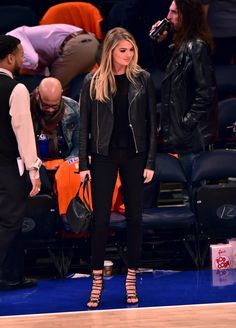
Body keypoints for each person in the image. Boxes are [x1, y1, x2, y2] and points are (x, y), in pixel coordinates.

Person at [79, 27, 157, 308]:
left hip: (135, 155)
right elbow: (84, 126)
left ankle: (131, 277)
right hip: (103, 155)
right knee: (101, 220)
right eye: (123, 50)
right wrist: (83, 162)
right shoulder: (92, 81)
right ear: (110, 51)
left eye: (131, 49)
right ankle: (97, 278)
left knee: (135, 219)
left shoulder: (143, 79)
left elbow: (151, 124)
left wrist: (150, 161)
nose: (128, 55)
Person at [152, 0, 218, 180]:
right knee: (188, 187)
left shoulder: (196, 47)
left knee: (195, 189)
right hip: (184, 136)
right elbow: (167, 67)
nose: (168, 17)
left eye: (174, 12)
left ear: (186, 15)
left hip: (192, 138)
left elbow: (206, 94)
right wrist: (159, 43)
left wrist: (185, 124)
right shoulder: (182, 43)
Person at [0, 34, 41, 290]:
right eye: (21, 54)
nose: (23, 58)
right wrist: (33, 168)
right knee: (10, 223)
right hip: (6, 167)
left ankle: (11, 276)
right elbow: (23, 130)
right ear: (10, 57)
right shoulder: (16, 88)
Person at [6, 24, 100, 97]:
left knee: (51, 90)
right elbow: (38, 67)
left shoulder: (12, 37)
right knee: (74, 89)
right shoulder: (22, 34)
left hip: (78, 46)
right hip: (92, 43)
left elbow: (33, 60)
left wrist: (14, 73)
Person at [30, 77, 80, 162]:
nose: (50, 110)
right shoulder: (26, 107)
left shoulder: (73, 107)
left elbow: (78, 144)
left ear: (61, 93)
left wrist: (67, 164)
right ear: (38, 93)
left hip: (64, 164)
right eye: (45, 105)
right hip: (34, 165)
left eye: (54, 106)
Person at [201, 0, 236, 65]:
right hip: (219, 32)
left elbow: (204, 7)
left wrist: (203, 31)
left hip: (218, 32)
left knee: (219, 67)